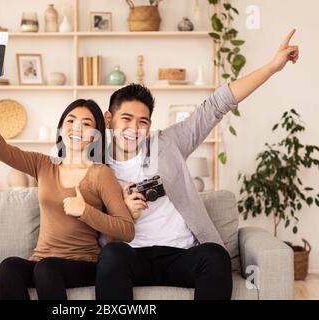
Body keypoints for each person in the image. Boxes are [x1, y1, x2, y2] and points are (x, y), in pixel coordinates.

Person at [96, 29, 300, 300]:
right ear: (109, 119)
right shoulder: (95, 165)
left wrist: (273, 67)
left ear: (150, 125)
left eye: (142, 121)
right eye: (126, 119)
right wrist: (123, 215)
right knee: (111, 255)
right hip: (132, 256)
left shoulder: (168, 143)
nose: (134, 128)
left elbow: (217, 104)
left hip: (182, 254)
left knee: (215, 256)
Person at [0, 64, 135, 300]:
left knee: (47, 268)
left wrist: (85, 211)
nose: (76, 127)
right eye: (70, 121)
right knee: (9, 267)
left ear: (96, 135)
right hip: (41, 260)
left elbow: (127, 230)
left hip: (83, 264)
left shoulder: (101, 174)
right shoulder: (43, 165)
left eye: (86, 123)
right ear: (61, 129)